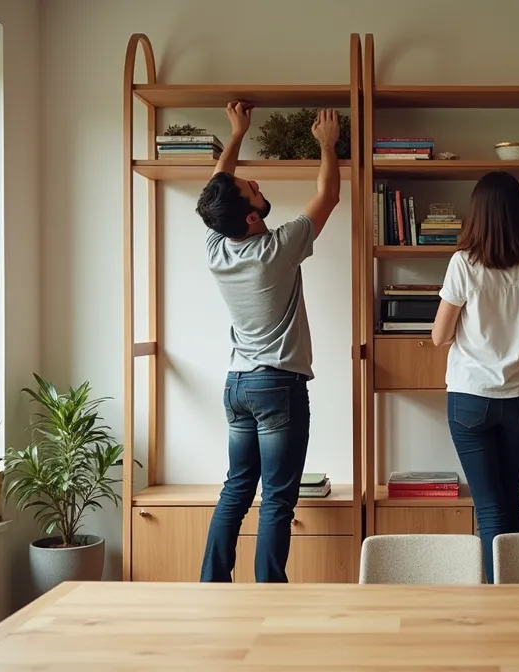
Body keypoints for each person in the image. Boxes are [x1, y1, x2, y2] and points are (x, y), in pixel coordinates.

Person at [197, 102, 341, 582]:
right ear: (253, 218)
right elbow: (329, 195)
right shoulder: (278, 248)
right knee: (278, 497)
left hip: (237, 386)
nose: (257, 186)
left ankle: (212, 586)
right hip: (276, 387)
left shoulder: (218, 246)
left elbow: (219, 191)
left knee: (236, 491)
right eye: (252, 190)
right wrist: (326, 145)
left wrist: (235, 135)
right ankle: (269, 594)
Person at [430, 171, 519, 583]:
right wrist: (517, 194)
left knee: (489, 509)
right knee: (512, 501)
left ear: (478, 214)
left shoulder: (463, 264)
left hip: (471, 398)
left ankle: (498, 603)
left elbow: (439, 337)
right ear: (516, 209)